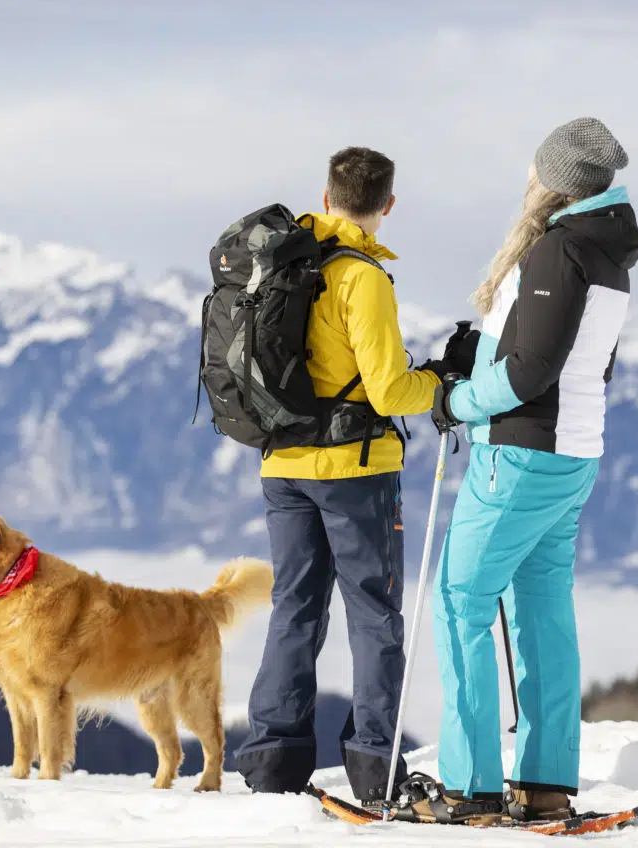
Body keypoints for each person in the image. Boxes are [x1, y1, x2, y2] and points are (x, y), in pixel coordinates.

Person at [398, 118, 638, 825]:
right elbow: (580, 359)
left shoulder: (559, 252)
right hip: (572, 452)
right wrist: (479, 354)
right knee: (540, 612)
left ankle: (468, 787)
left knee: (460, 601)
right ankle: (542, 780)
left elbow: (534, 369)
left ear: (554, 180)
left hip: (522, 453)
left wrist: (459, 400)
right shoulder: (608, 253)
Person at [236, 146, 477, 805]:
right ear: (388, 205)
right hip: (353, 472)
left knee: (295, 608)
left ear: (325, 194)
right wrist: (442, 378)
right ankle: (375, 765)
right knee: (373, 614)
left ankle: (272, 762)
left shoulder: (287, 259)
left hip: (282, 465)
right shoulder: (361, 276)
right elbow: (390, 390)